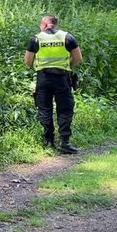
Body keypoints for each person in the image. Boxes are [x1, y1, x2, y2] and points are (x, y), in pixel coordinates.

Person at [24, 14, 83, 154]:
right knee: (65, 109)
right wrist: (67, 66)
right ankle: (64, 142)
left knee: (44, 109)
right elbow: (78, 58)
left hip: (43, 78)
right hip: (62, 77)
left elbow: (27, 61)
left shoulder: (36, 39)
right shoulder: (67, 37)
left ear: (44, 25)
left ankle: (48, 141)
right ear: (54, 24)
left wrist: (38, 69)